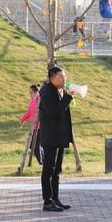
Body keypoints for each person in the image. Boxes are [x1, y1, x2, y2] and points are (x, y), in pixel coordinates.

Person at [39, 66, 75, 212]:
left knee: (56, 169)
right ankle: (47, 201)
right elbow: (55, 112)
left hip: (58, 136)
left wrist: (66, 96)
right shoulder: (47, 93)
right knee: (49, 169)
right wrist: (67, 97)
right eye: (61, 76)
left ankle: (55, 198)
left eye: (64, 76)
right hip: (51, 137)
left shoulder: (57, 91)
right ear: (52, 77)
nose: (64, 79)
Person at [20, 84, 43, 165]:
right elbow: (29, 113)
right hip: (34, 127)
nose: (30, 95)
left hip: (41, 126)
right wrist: (22, 119)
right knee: (33, 145)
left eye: (31, 93)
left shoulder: (40, 100)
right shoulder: (32, 101)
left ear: (36, 92)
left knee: (36, 145)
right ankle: (43, 161)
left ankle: (42, 163)